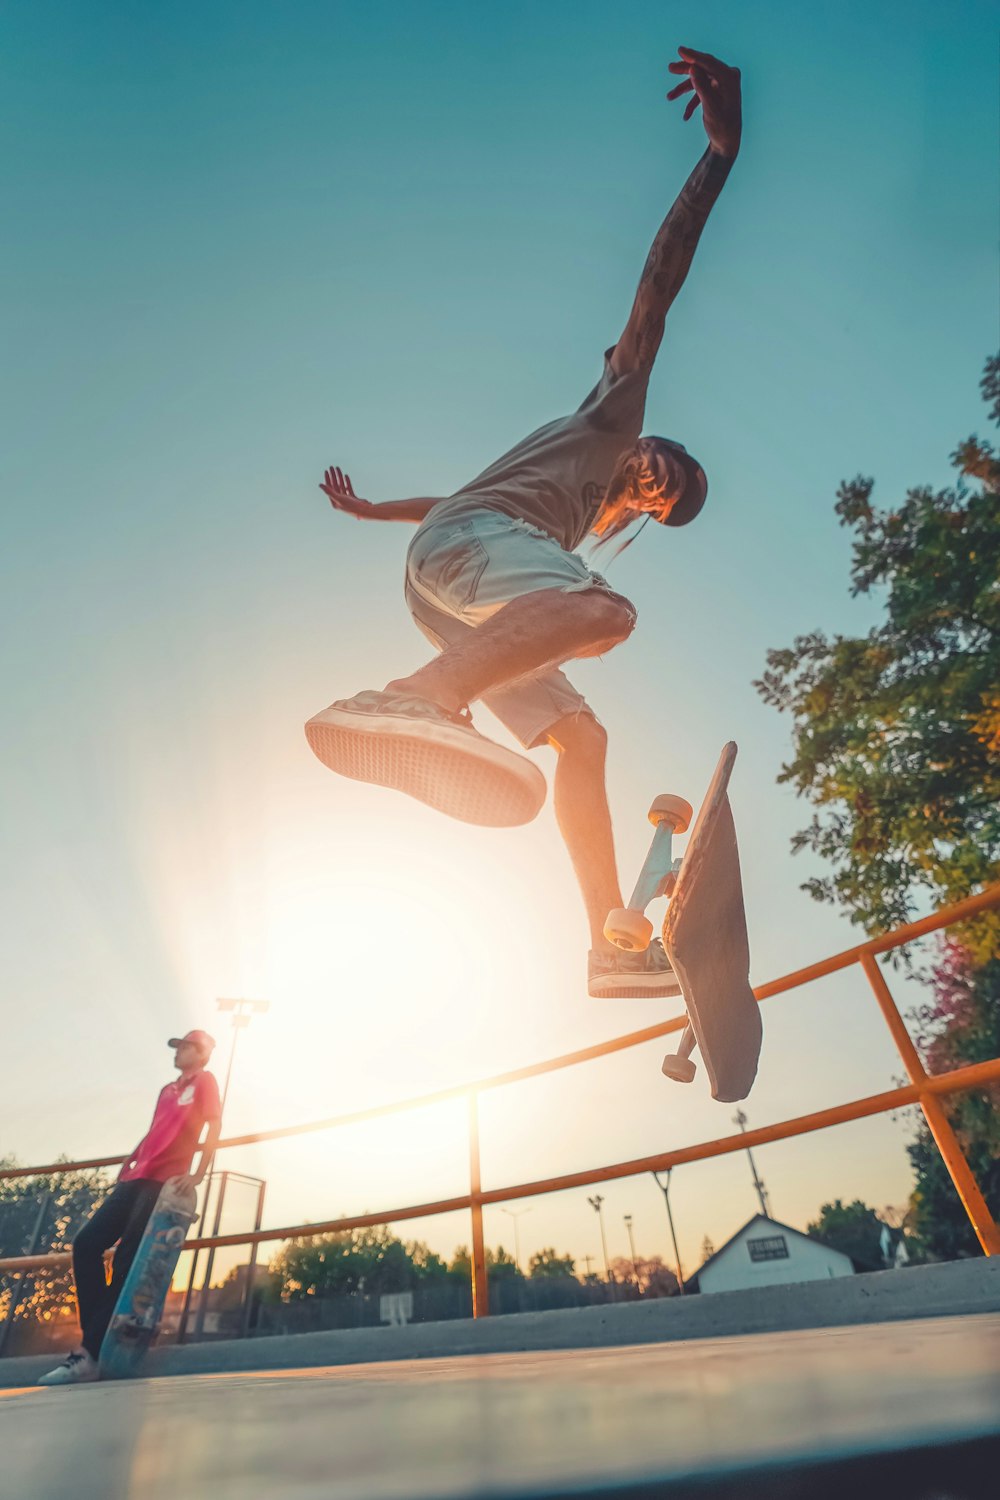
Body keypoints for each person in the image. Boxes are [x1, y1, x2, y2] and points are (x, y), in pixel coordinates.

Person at [305, 47, 742, 999]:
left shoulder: (564, 522)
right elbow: (655, 297)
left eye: (668, 499)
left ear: (651, 514)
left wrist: (374, 509)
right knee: (606, 615)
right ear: (647, 444)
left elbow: (454, 508)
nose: (658, 481)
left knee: (582, 742)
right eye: (665, 464)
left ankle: (608, 945)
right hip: (464, 565)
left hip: (457, 580)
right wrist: (719, 154)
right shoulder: (610, 417)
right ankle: (413, 698)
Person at [38, 1030, 222, 1385]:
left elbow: (214, 1125)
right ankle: (97, 1342)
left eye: (184, 1047)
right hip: (135, 1179)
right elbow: (153, 1130)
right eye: (177, 1047)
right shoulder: (167, 1090)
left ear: (200, 1053)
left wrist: (198, 1174)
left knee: (126, 1260)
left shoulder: (206, 1082)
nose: (178, 1052)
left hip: (165, 1182)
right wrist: (129, 1163)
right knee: (87, 1244)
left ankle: (87, 1355)